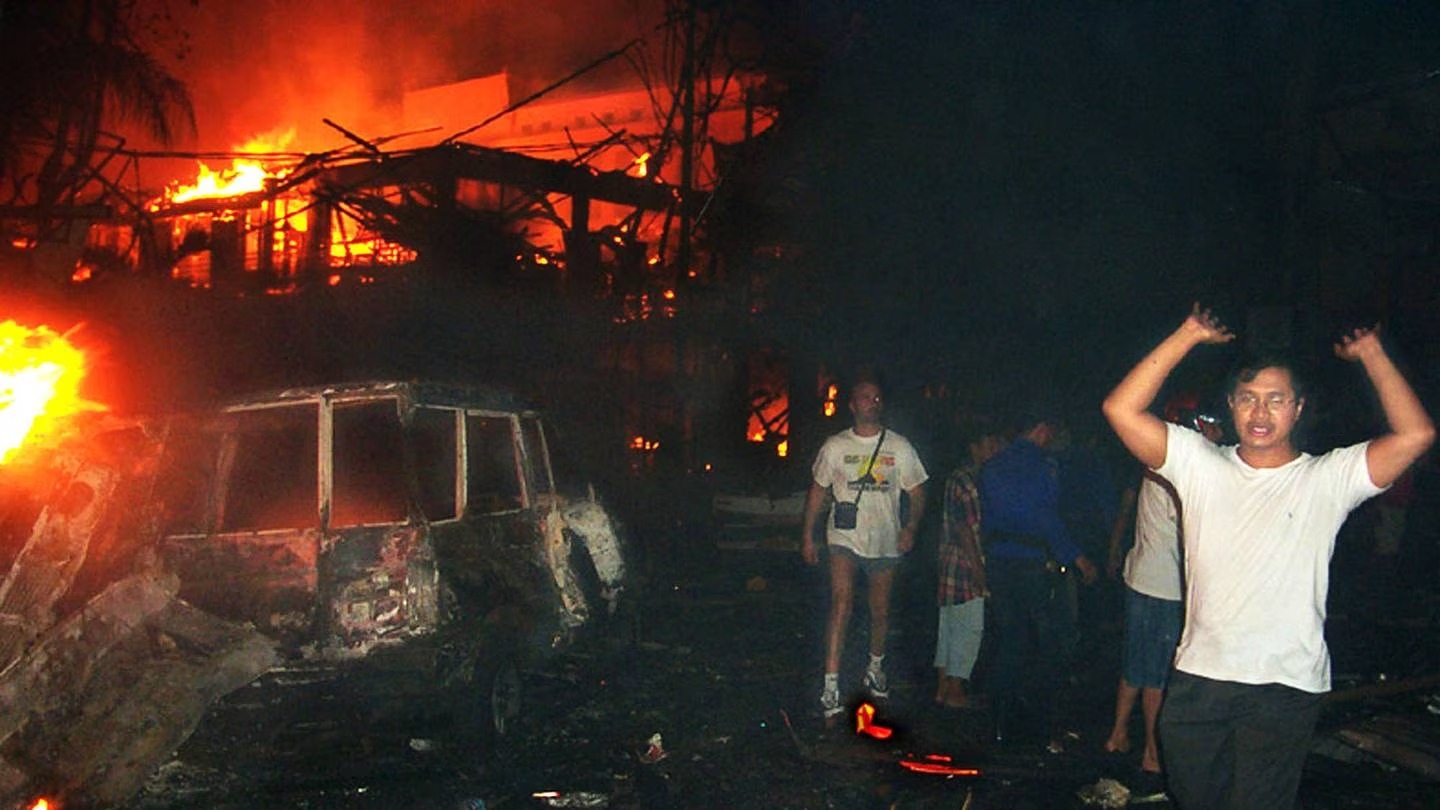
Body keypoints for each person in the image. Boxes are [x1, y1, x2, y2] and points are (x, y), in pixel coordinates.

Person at [1101, 304, 1434, 810]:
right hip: (1198, 682)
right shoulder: (1199, 463)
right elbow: (1120, 409)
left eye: (1276, 400)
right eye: (1249, 399)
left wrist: (1371, 353)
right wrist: (1188, 334)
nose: (1261, 413)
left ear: (1297, 409)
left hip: (1283, 685)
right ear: (1231, 406)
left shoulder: (1327, 478)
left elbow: (1416, 435)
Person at [1102, 405, 1222, 775]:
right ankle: (1152, 753)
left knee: (1135, 665)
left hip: (1140, 578)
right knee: (1157, 675)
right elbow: (1193, 537)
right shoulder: (1180, 476)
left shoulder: (1154, 467)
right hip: (1164, 586)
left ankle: (1118, 734)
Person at [801, 376, 929, 718]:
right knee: (841, 603)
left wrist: (911, 525)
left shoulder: (899, 447)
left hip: (885, 538)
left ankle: (875, 666)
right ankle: (831, 684)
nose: (871, 402)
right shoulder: (835, 447)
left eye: (876, 397)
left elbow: (917, 491)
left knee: (880, 609)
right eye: (864, 397)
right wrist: (808, 535)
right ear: (852, 405)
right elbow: (817, 491)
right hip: (844, 537)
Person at [980, 408, 1099, 745]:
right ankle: (1038, 717)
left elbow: (988, 521)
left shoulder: (993, 466)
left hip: (1000, 562)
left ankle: (1000, 717)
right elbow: (1047, 519)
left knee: (1011, 638)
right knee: (1050, 641)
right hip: (1032, 563)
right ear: (1042, 429)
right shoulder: (1043, 466)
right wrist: (1078, 559)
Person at [934, 425, 1004, 709]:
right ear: (974, 447)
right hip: (964, 564)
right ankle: (955, 690)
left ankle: (942, 689)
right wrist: (979, 572)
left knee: (949, 629)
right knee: (969, 629)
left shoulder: (963, 477)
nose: (994, 451)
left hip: (950, 562)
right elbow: (966, 529)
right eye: (989, 445)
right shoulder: (968, 480)